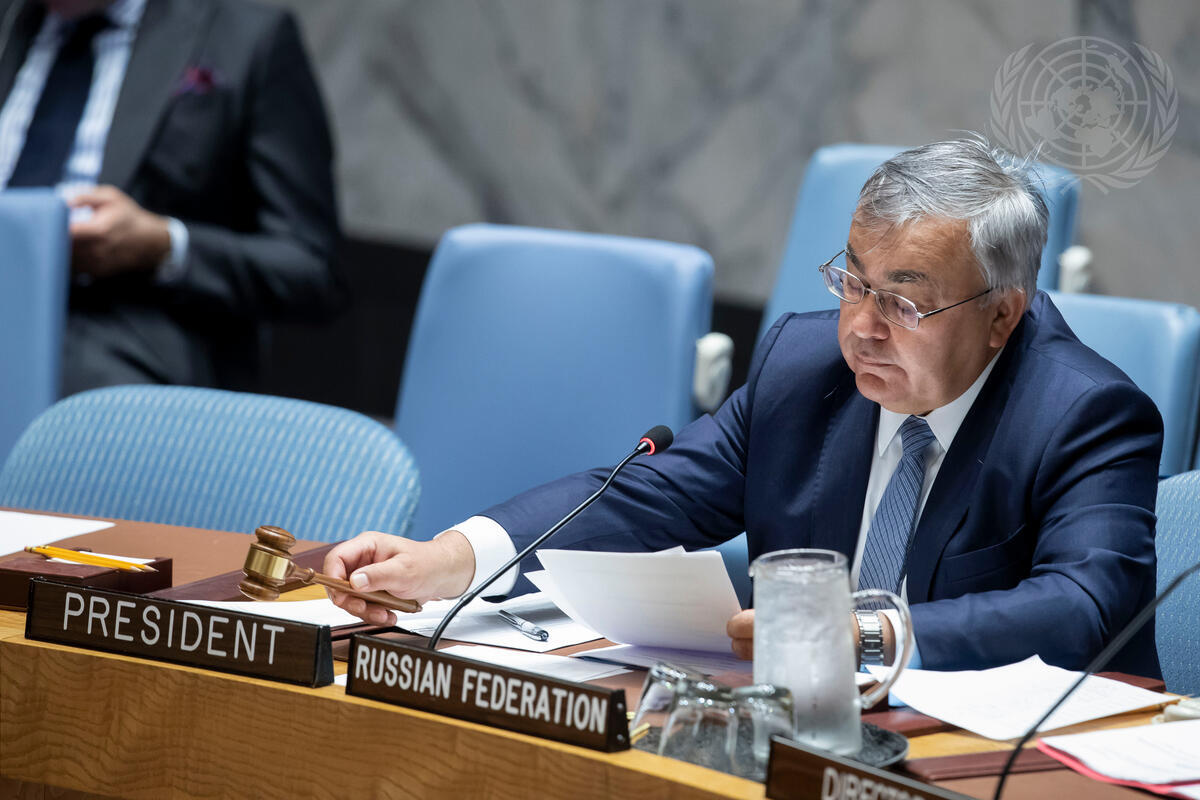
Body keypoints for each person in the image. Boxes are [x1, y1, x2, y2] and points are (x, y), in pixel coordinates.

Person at [324, 137, 1162, 676]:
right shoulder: (805, 366)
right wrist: (453, 558)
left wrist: (867, 634)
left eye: (905, 303)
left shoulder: (1085, 414)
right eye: (853, 282)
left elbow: (1085, 605)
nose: (861, 328)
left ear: (1002, 316)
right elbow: (650, 494)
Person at [0, 0, 341, 393]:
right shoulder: (12, 21)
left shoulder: (245, 36)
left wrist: (164, 247)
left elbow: (311, 267)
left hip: (115, 339)